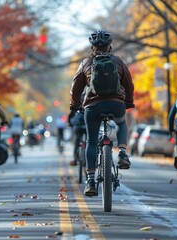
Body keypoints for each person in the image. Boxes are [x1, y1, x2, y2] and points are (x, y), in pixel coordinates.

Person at [69, 30, 135, 197]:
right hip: (116, 104)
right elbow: (129, 84)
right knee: (121, 123)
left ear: (92, 48)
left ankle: (90, 181)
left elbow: (75, 87)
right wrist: (128, 102)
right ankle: (122, 153)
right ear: (109, 46)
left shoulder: (86, 63)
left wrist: (75, 105)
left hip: (92, 106)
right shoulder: (118, 62)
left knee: (91, 141)